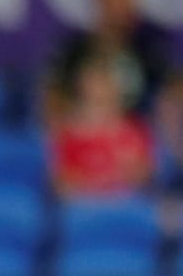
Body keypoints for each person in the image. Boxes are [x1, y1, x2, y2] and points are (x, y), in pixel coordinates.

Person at [50, 56, 158, 199]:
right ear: (83, 89)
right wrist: (98, 184)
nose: (100, 91)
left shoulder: (135, 129)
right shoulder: (68, 134)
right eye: (95, 83)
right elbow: (63, 185)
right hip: (86, 206)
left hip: (126, 202)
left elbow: (145, 175)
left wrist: (130, 173)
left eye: (105, 82)